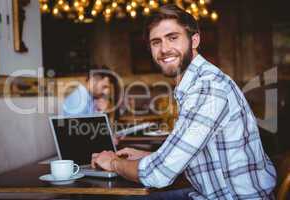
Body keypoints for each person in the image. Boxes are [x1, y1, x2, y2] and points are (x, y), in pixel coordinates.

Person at [91, 4, 277, 199]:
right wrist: (148, 157)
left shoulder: (207, 89)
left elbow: (158, 175)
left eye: (173, 38)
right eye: (156, 42)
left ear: (194, 40)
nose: (164, 49)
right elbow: (191, 156)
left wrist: (113, 162)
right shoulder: (195, 82)